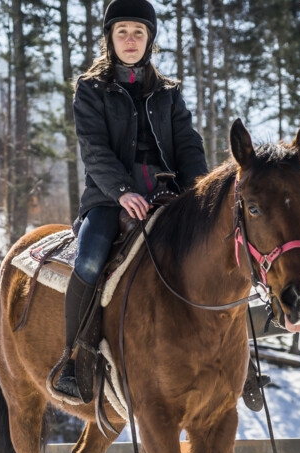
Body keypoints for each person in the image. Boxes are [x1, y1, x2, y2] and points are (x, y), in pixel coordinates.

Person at [53, 0, 209, 399]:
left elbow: (189, 147)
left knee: (216, 250)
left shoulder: (169, 93)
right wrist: (123, 192)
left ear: (150, 39)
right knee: (89, 258)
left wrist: (198, 194)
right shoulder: (90, 90)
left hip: (168, 195)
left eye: (138, 32)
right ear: (110, 37)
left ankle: (235, 361)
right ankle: (75, 357)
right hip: (109, 198)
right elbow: (95, 150)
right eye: (122, 31)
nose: (130, 39)